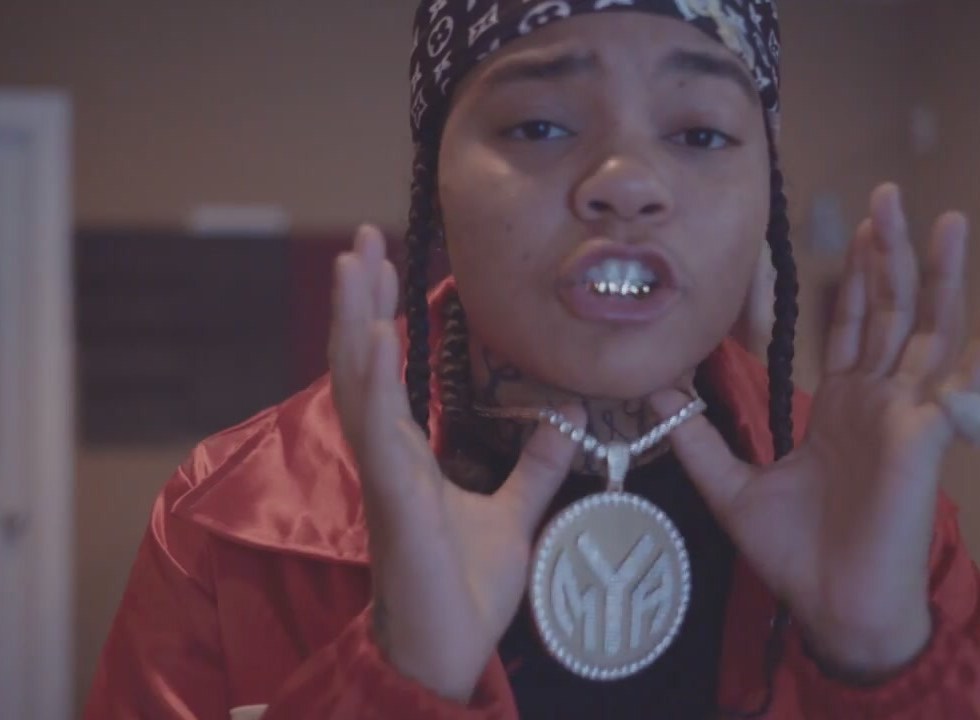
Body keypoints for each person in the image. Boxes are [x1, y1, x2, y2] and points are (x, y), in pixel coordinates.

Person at [84, 1, 980, 718]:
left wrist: (881, 667)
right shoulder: (228, 525)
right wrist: (394, 680)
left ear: (766, 191)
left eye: (700, 134)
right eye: (541, 126)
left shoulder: (880, 517)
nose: (627, 183)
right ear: (434, 176)